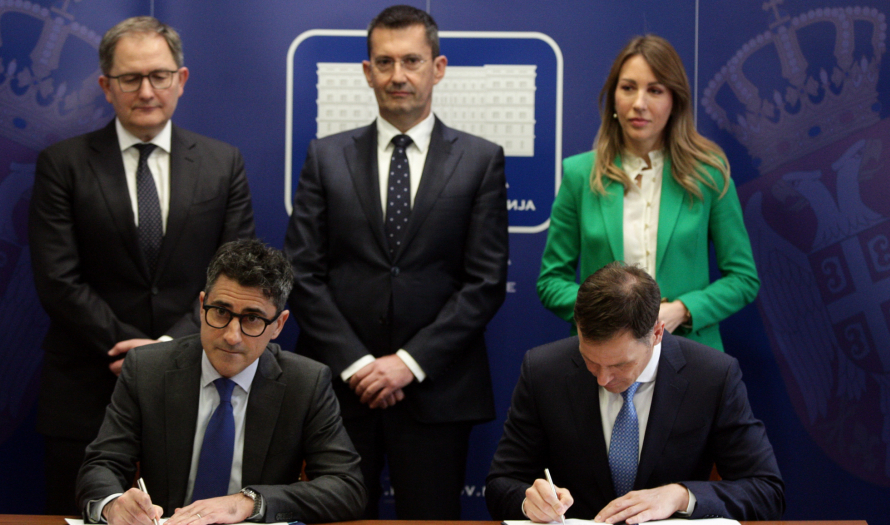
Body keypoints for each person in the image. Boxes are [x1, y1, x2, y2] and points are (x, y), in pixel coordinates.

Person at [283, 4, 508, 519]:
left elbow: (485, 282)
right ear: (367, 72)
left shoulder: (480, 160)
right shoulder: (325, 156)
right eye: (384, 62)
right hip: (339, 390)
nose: (397, 75)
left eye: (411, 60)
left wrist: (408, 363)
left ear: (438, 67)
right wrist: (359, 365)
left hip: (437, 391)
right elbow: (302, 272)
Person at [28, 16, 255, 515]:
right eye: (130, 78)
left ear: (181, 79)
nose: (146, 91)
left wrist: (169, 346)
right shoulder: (62, 164)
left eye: (159, 75)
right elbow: (58, 279)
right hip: (86, 388)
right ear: (106, 86)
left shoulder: (223, 163)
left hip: (196, 384)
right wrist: (133, 352)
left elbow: (235, 276)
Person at [76, 240, 366, 525]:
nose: (231, 336)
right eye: (221, 312)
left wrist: (248, 502)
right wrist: (113, 505)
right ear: (202, 306)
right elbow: (102, 464)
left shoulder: (306, 383)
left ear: (278, 325)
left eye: (252, 319)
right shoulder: (147, 369)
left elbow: (346, 487)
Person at [486, 262, 784, 523]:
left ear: (657, 333)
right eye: (590, 360)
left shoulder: (712, 376)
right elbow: (502, 483)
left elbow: (766, 491)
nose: (603, 378)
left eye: (620, 364)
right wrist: (529, 502)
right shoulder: (543, 371)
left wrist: (681, 496)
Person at [536, 34, 758, 351]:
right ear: (614, 96)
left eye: (655, 90)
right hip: (604, 357)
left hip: (689, 353)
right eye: (628, 88)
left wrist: (682, 310)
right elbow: (551, 282)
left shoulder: (708, 175)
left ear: (675, 100)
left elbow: (743, 279)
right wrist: (607, 313)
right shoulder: (580, 174)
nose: (639, 103)